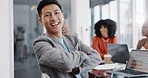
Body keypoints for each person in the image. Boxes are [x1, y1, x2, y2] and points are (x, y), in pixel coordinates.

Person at [33, 0, 103, 78]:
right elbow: (66, 63)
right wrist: (82, 54)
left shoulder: (73, 39)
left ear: (62, 15)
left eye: (56, 13)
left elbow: (96, 57)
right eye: (47, 15)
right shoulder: (40, 44)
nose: (53, 18)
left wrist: (78, 69)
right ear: (41, 21)